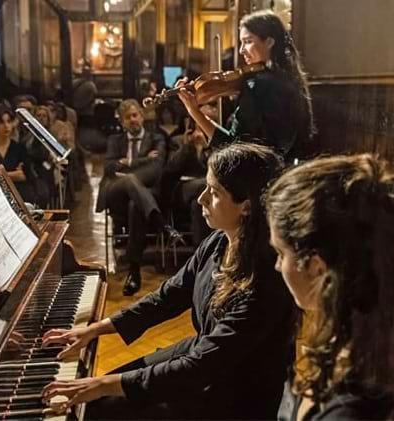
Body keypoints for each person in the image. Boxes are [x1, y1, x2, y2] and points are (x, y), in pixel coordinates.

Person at [44, 143, 296, 419]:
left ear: (246, 206)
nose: (201, 199)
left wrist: (102, 385)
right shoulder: (219, 241)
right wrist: (96, 328)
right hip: (203, 356)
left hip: (234, 394)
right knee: (103, 393)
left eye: (214, 192)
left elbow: (201, 367)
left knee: (104, 405)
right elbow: (170, 294)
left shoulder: (266, 278)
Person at [265, 154, 394, 420]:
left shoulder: (353, 407)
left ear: (317, 267)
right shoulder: (363, 331)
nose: (278, 267)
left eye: (281, 254)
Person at [178, 10, 313, 162]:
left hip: (254, 178)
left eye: (248, 41)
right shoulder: (291, 80)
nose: (242, 50)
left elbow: (232, 147)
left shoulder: (257, 85)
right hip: (281, 175)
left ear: (269, 42)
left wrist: (194, 111)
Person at [95, 99, 180, 296]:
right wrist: (141, 162)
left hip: (145, 196)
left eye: (135, 115)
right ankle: (162, 224)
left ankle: (134, 272)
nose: (132, 120)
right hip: (116, 195)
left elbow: (157, 168)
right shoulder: (114, 141)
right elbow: (109, 168)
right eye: (127, 117)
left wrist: (126, 164)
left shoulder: (157, 138)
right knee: (130, 182)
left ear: (141, 116)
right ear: (122, 122)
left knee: (136, 204)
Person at [160, 118, 211, 248]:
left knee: (198, 205)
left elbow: (216, 168)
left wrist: (205, 147)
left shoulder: (212, 141)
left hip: (205, 191)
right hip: (183, 188)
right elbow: (171, 169)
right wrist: (186, 146)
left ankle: (200, 250)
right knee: (205, 185)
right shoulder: (176, 141)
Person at [0, 105, 39, 205]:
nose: (6, 126)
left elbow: (25, 176)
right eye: (1, 122)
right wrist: (13, 175)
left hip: (20, 194)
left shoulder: (20, 148)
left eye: (9, 121)